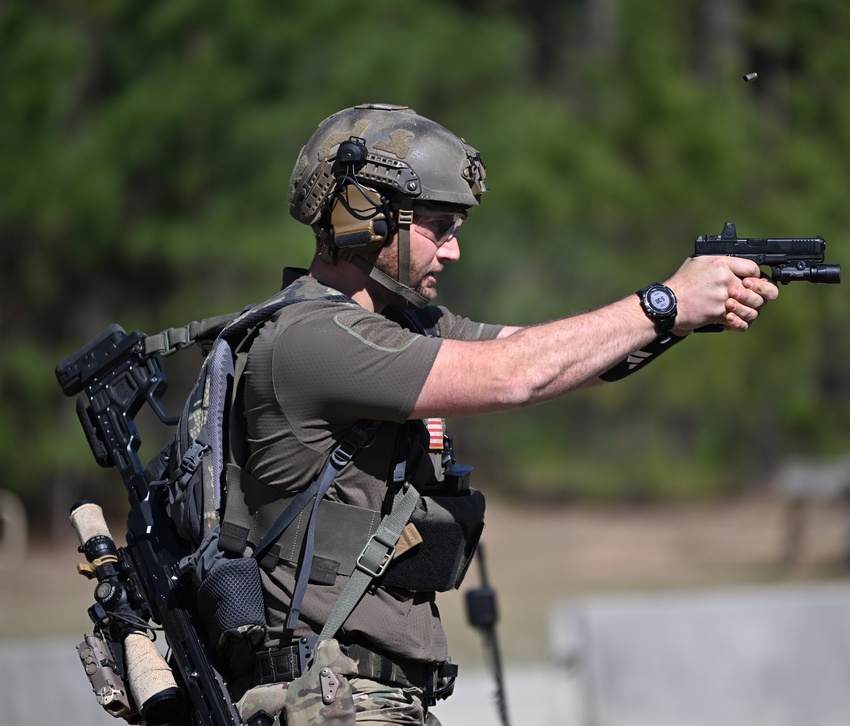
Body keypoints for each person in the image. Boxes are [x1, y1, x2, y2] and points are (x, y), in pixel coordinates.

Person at [228, 103, 778, 725]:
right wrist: (663, 300)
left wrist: (679, 318)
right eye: (438, 226)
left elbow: (560, 360)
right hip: (330, 698)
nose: (454, 250)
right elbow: (514, 375)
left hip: (367, 697)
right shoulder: (313, 339)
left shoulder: (400, 325)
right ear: (364, 219)